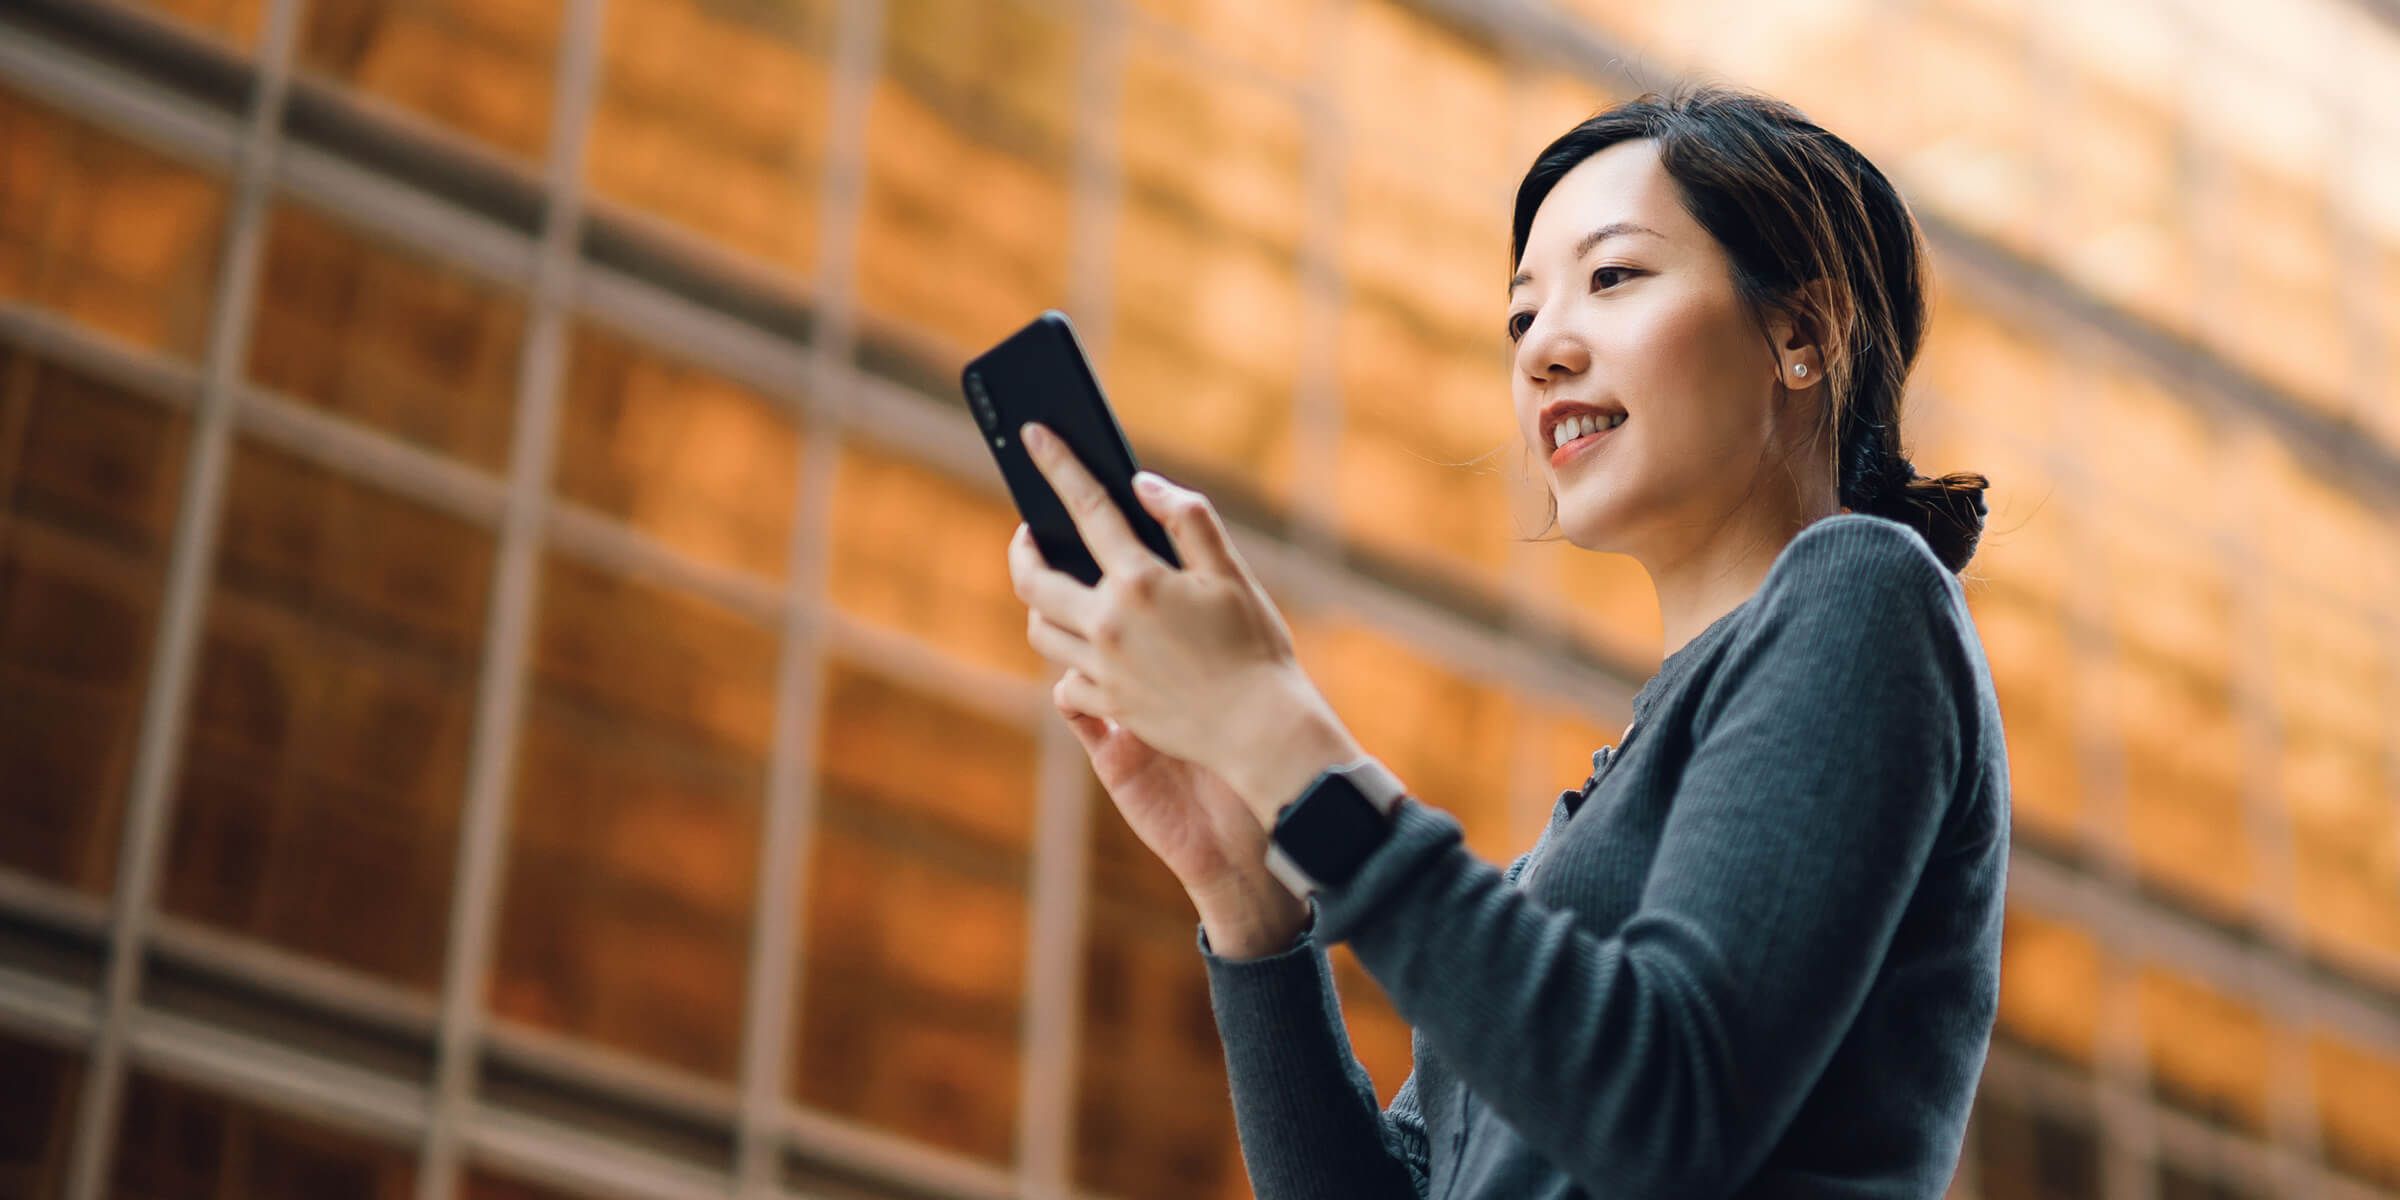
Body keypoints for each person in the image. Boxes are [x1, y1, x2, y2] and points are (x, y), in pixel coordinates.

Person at [1005, 82, 2008, 1199]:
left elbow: (1663, 1112)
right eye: (1522, 316)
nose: (1541, 351)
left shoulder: (1862, 588)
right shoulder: (1571, 849)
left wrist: (1278, 733)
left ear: (1801, 334)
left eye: (1613, 277)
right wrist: (1251, 902)